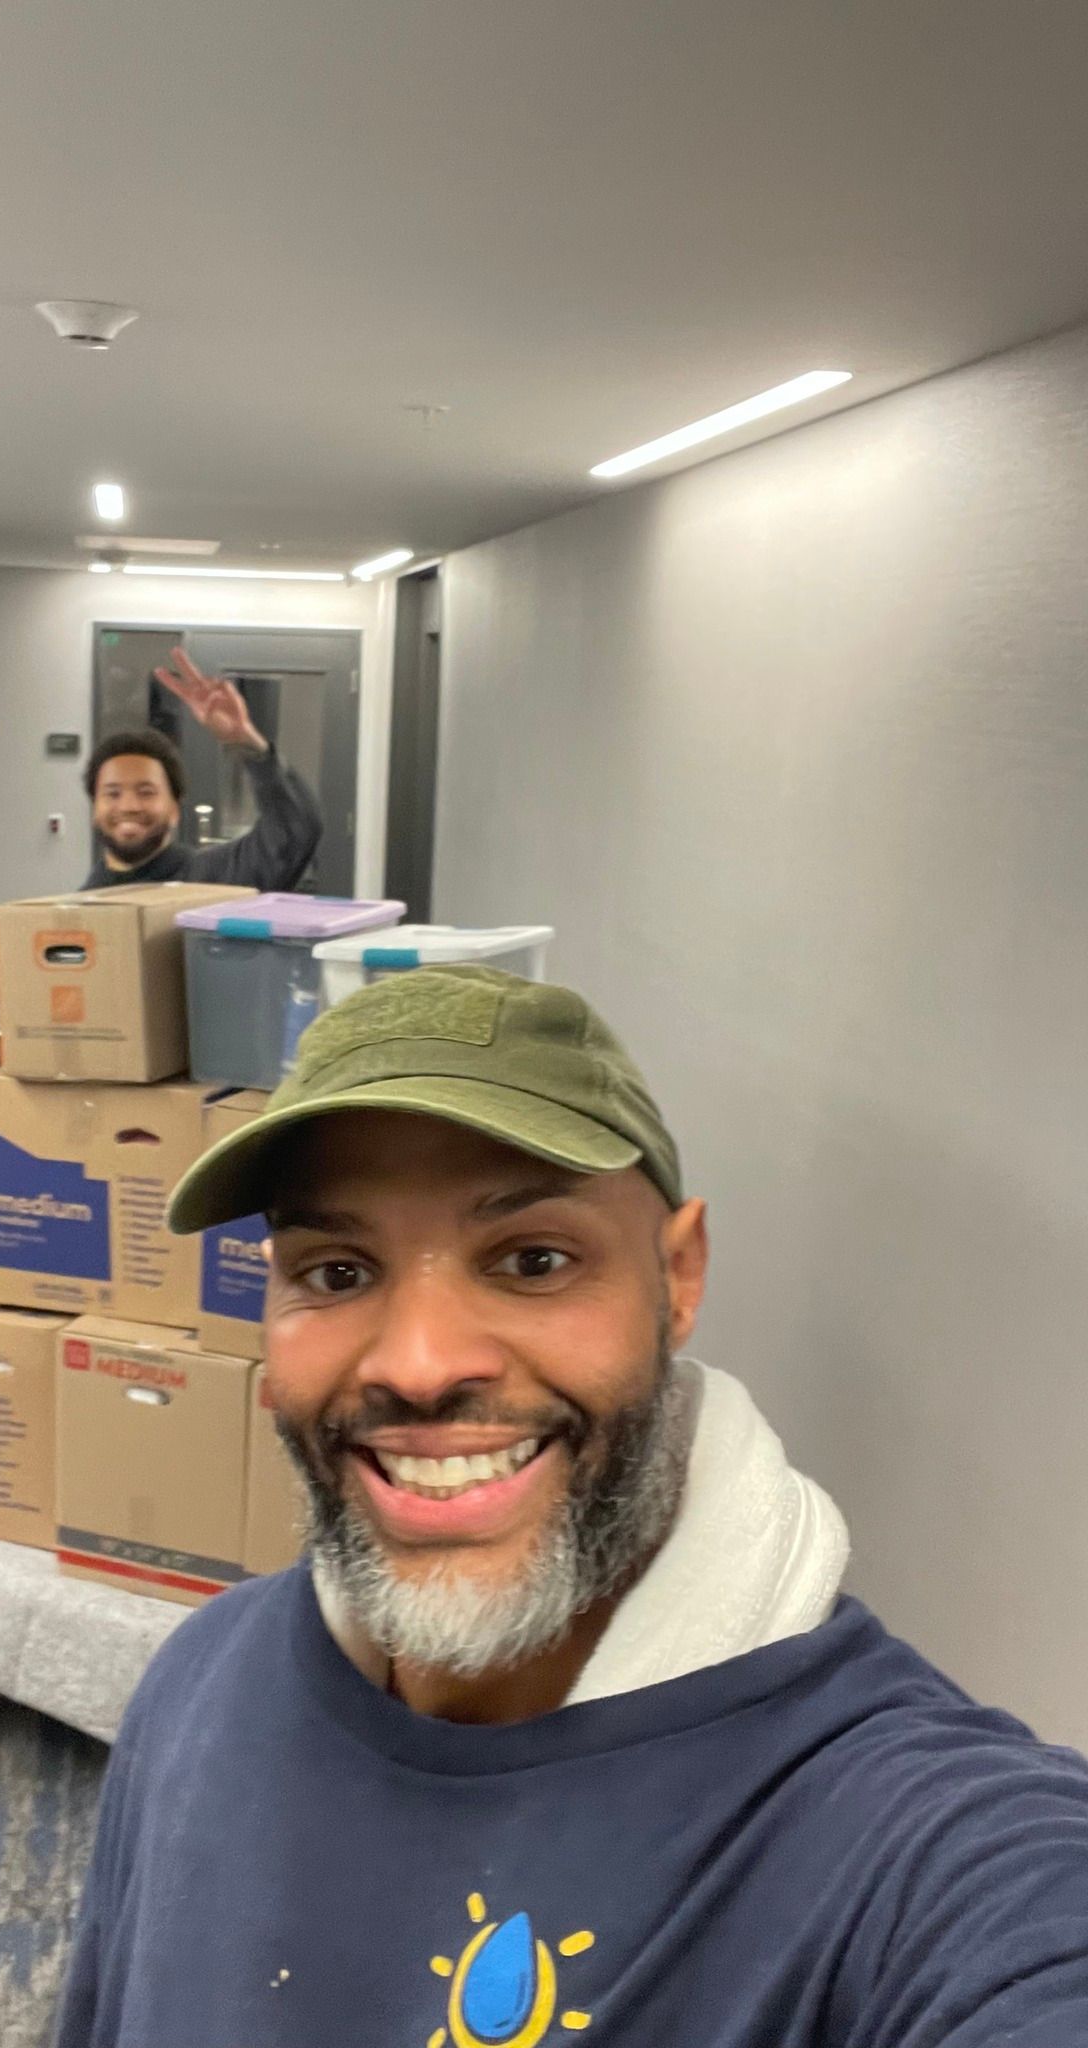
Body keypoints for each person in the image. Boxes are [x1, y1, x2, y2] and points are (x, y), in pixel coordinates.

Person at [55, 966, 1088, 2048]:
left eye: (533, 1259)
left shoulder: (904, 1839)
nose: (416, 1363)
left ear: (677, 1277)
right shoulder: (199, 1680)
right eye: (338, 1269)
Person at [81, 647, 321, 889]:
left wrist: (247, 742)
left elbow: (293, 832)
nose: (129, 806)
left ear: (175, 809)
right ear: (95, 809)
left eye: (146, 792)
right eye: (113, 793)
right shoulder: (83, 902)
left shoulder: (214, 878)